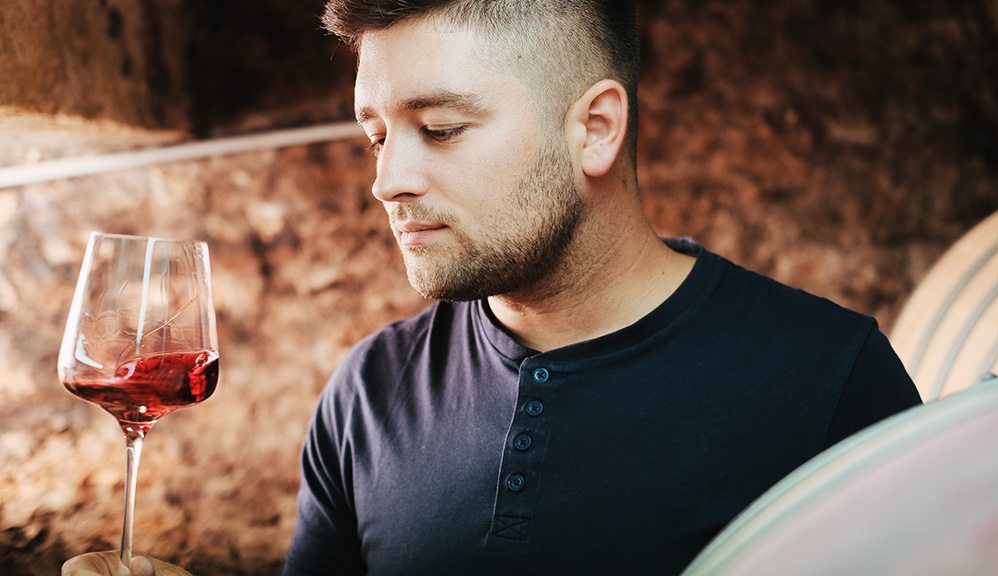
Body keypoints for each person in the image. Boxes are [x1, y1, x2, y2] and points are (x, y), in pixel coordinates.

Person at [64, 0, 922, 574]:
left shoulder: (832, 382)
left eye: (439, 128)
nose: (387, 179)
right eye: (376, 136)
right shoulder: (367, 393)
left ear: (595, 129)